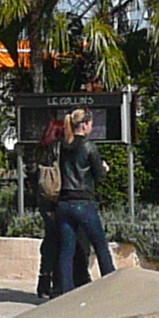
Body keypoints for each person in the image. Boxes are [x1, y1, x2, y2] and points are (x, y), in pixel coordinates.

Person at [52, 107, 115, 295]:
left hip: (63, 203)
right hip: (84, 202)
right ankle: (112, 287)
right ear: (85, 124)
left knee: (67, 250)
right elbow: (99, 176)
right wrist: (105, 168)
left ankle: (66, 291)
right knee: (100, 246)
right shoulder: (89, 146)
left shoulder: (62, 146)